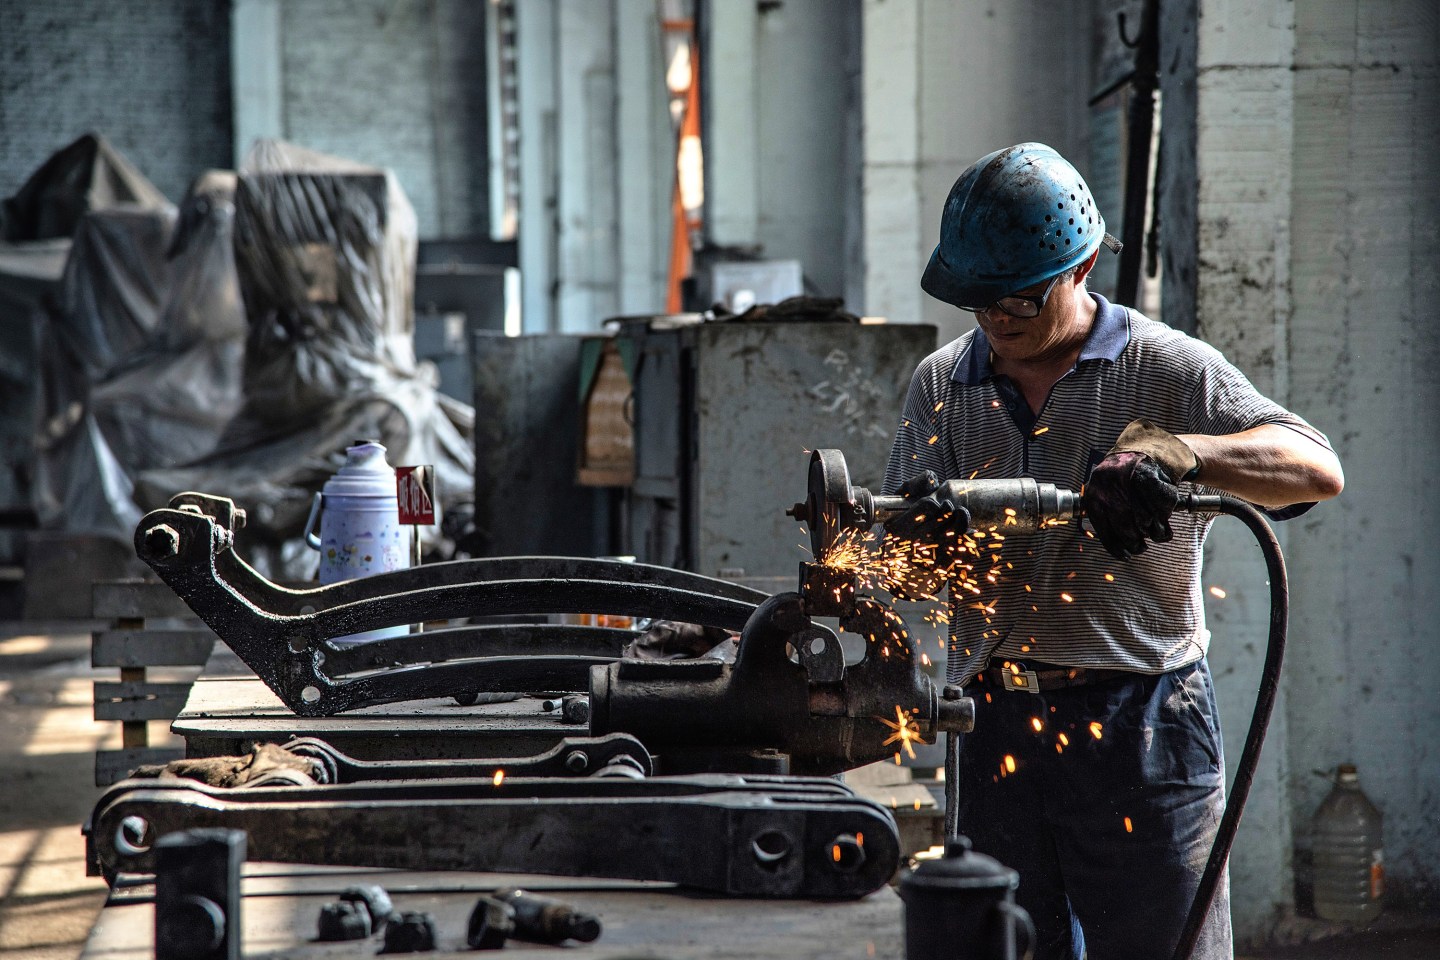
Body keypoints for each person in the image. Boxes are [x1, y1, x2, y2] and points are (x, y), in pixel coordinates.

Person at [882, 142, 1344, 960]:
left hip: (1143, 726)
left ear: (1084, 264)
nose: (997, 320)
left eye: (1020, 300)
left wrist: (1184, 452)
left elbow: (1315, 466)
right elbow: (900, 561)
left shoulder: (1167, 369)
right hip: (992, 724)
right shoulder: (943, 383)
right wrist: (919, 547)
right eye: (980, 301)